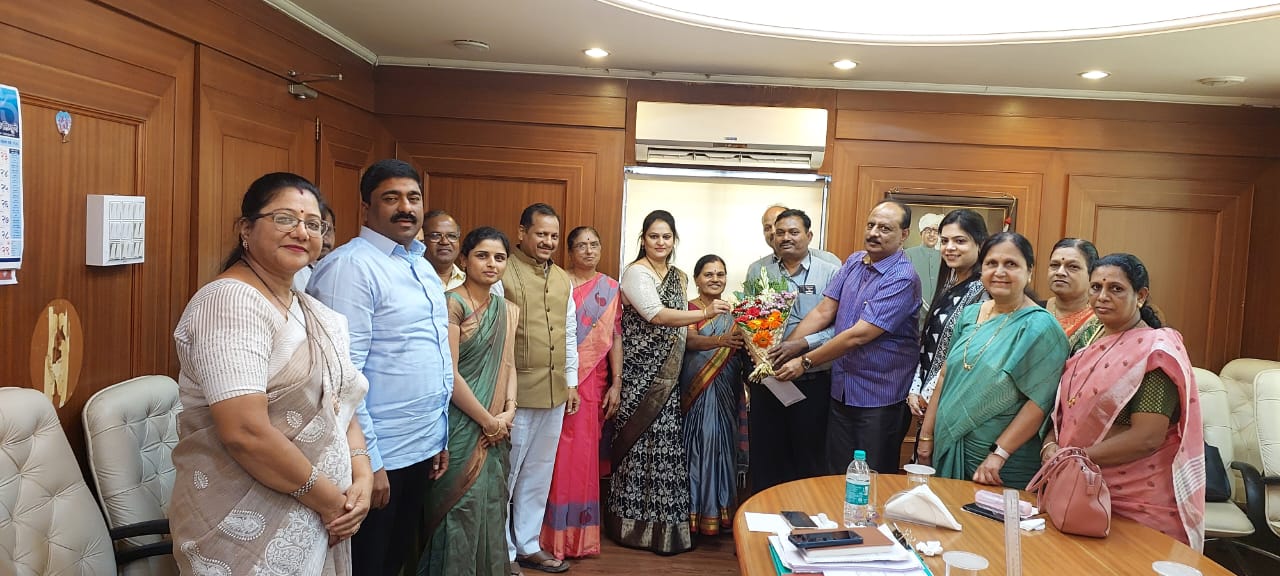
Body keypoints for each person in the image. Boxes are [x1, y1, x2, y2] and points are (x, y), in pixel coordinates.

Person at [169, 172, 370, 574]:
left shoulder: (309, 309)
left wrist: (361, 472)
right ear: (246, 229)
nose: (301, 231)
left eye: (313, 223)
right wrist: (332, 503)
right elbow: (245, 432)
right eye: (284, 218)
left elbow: (339, 400)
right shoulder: (230, 302)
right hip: (242, 525)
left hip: (320, 514)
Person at [308, 159, 452, 576]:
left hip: (420, 446)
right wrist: (368, 462)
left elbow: (432, 355)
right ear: (366, 208)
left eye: (413, 197)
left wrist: (437, 437)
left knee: (396, 561)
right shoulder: (351, 267)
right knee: (367, 564)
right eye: (391, 198)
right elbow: (341, 377)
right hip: (376, 456)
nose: (405, 207)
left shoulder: (420, 265)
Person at [1042, 253, 1205, 549]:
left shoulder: (1154, 353)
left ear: (1140, 296)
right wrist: (1050, 445)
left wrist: (1075, 457)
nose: (1102, 296)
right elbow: (1065, 412)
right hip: (1076, 489)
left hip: (1137, 503)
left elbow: (1147, 437)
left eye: (1115, 289)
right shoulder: (1088, 346)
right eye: (1096, 287)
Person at [607, 210, 731, 555]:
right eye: (653, 236)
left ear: (674, 240)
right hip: (640, 377)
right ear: (643, 240)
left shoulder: (678, 276)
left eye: (666, 236)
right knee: (639, 448)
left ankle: (666, 530)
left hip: (671, 376)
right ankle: (631, 527)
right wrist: (705, 313)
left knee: (667, 447)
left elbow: (678, 331)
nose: (660, 242)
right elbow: (655, 315)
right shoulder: (636, 273)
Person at [773, 200, 921, 475]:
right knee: (836, 473)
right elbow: (824, 310)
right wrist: (786, 347)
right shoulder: (855, 261)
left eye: (885, 228)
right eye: (871, 225)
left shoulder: (902, 277)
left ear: (903, 235)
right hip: (842, 389)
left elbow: (858, 336)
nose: (874, 233)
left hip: (878, 396)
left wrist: (804, 361)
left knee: (870, 477)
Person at [916, 233, 1067, 488]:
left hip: (998, 461)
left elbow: (1039, 403)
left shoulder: (1040, 327)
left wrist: (999, 454)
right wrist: (926, 437)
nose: (999, 272)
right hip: (949, 443)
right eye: (991, 263)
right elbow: (944, 375)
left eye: (1011, 264)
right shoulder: (970, 315)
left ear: (1029, 271)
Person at [419, 227, 521, 576]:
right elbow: (449, 374)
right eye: (482, 255)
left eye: (499, 257)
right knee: (458, 505)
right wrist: (488, 421)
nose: (492, 264)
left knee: (490, 504)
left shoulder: (506, 309)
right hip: (460, 423)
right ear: (464, 260)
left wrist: (509, 411)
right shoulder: (451, 303)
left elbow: (509, 364)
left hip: (497, 424)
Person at [500, 203, 579, 574]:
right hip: (514, 394)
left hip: (555, 391)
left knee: (539, 473)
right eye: (541, 234)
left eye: (553, 235)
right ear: (522, 233)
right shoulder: (503, 271)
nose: (548, 241)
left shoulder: (562, 278)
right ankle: (503, 551)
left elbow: (570, 332)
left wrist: (571, 381)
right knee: (507, 475)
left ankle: (528, 545)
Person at [540, 226, 623, 559]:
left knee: (584, 457)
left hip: (592, 382)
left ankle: (579, 538)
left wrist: (617, 382)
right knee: (554, 455)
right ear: (570, 251)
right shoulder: (557, 281)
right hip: (555, 377)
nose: (589, 251)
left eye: (594, 244)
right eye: (581, 245)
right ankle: (548, 537)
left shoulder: (610, 288)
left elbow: (614, 336)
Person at [749, 208, 839, 492]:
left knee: (809, 458)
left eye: (793, 232)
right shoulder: (758, 270)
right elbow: (750, 321)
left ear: (809, 236)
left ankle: (807, 515)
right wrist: (760, 356)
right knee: (766, 457)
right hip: (769, 380)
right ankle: (764, 513)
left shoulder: (831, 271)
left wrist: (803, 350)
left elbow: (840, 328)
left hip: (813, 378)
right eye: (779, 233)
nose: (785, 238)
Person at [680, 254, 746, 536]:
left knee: (724, 446)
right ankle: (693, 514)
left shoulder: (736, 312)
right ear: (697, 279)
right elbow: (690, 341)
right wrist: (720, 340)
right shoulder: (688, 309)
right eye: (708, 274)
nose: (715, 279)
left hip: (727, 389)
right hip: (697, 388)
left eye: (720, 274)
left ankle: (721, 514)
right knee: (700, 444)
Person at [907, 209, 990, 420]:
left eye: (960, 241)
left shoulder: (984, 291)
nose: (949, 247)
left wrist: (928, 394)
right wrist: (915, 388)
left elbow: (968, 355)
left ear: (980, 244)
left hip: (954, 402)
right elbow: (928, 343)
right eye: (944, 241)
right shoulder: (948, 286)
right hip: (927, 402)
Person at [1044, 238, 1102, 351]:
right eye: (1054, 265)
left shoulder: (1100, 321)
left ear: (1092, 274)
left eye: (1073, 267)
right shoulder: (1034, 311)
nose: (1060, 272)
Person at [752, 204, 841, 269]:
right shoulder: (757, 269)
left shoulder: (829, 262)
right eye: (767, 228)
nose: (773, 231)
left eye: (778, 225)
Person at [904, 212, 943, 331]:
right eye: (928, 230)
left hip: (938, 311)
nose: (932, 234)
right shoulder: (908, 254)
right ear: (921, 233)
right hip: (914, 311)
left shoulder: (945, 256)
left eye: (935, 231)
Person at [292, 203, 337, 292]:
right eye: (316, 228)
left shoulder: (341, 266)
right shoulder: (294, 273)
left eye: (328, 230)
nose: (324, 238)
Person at [422, 210, 466, 290]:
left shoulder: (468, 282)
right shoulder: (412, 279)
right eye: (436, 236)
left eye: (452, 236)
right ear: (422, 240)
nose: (445, 242)